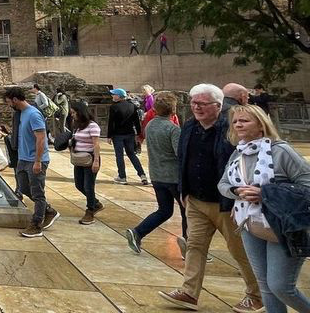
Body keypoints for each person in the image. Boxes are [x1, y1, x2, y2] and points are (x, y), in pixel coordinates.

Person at [159, 84, 262, 313]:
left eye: (202, 103)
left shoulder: (232, 129)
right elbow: (183, 157)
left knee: (239, 251)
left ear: (218, 105)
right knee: (194, 246)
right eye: (194, 102)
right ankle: (189, 292)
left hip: (226, 203)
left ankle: (257, 295)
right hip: (196, 200)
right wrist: (183, 190)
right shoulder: (189, 127)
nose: (196, 107)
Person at [219, 105, 310, 313]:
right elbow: (222, 184)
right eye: (235, 122)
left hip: (283, 225)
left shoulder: (281, 151)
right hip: (250, 225)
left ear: (261, 124)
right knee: (265, 286)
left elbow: (307, 184)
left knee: (281, 286)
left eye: (244, 120)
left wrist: (265, 193)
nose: (238, 125)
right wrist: (236, 191)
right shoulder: (238, 153)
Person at [126, 92, 187, 254]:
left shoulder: (150, 125)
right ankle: (190, 246)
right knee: (187, 210)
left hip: (157, 175)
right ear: (173, 110)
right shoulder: (173, 129)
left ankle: (138, 232)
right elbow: (179, 154)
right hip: (173, 177)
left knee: (164, 210)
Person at [6, 87, 58, 237]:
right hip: (23, 159)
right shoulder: (21, 114)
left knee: (37, 192)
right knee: (23, 188)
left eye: (9, 101)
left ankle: (36, 225)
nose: (9, 105)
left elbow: (41, 139)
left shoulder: (34, 114)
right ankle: (48, 210)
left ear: (15, 100)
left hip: (35, 160)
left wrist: (38, 161)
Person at [70, 100, 103, 225]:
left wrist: (96, 161)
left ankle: (90, 210)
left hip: (90, 158)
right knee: (79, 184)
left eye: (74, 113)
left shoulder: (92, 126)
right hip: (79, 158)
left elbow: (96, 144)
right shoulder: (78, 126)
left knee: (89, 186)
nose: (72, 115)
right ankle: (95, 203)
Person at [108, 88, 149, 186]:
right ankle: (142, 175)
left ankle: (122, 176)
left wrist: (109, 136)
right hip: (130, 134)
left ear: (119, 96)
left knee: (119, 155)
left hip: (118, 135)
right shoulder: (132, 106)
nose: (112, 96)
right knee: (132, 154)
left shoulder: (114, 107)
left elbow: (111, 123)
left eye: (114, 95)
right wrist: (139, 134)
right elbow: (136, 121)